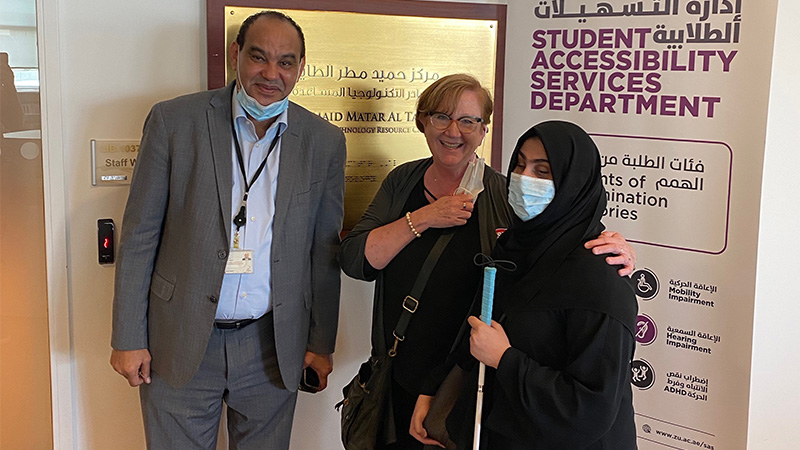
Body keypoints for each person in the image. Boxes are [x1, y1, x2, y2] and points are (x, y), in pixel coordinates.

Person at [339, 75, 635, 450]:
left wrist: (613, 244)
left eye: (468, 121)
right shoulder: (403, 181)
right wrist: (426, 217)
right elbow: (356, 260)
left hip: (468, 385)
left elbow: (560, 231)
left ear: (483, 131)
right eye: (441, 117)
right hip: (408, 370)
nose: (453, 131)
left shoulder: (504, 196)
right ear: (423, 121)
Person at [110, 11, 345, 450]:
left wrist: (320, 342)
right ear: (236, 54)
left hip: (272, 344)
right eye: (259, 57)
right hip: (177, 339)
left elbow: (323, 251)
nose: (271, 74)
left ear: (300, 67)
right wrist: (128, 337)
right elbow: (140, 235)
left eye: (286, 62)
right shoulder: (174, 122)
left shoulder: (323, 141)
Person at [412, 120, 638, 449]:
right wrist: (435, 387)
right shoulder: (516, 249)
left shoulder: (600, 279)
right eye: (520, 164)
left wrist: (505, 359)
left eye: (543, 171)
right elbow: (480, 327)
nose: (523, 179)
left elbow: (589, 408)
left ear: (573, 184)